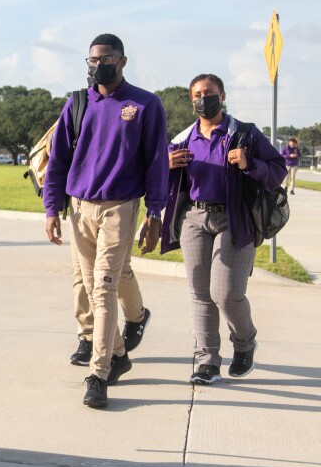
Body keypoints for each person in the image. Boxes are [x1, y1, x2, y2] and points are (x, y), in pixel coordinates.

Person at [43, 33, 168, 409]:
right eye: (92, 59)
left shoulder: (145, 105)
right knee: (91, 285)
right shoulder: (78, 103)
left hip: (121, 208)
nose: (98, 65)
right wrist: (52, 209)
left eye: (106, 58)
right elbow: (58, 160)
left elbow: (156, 162)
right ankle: (119, 354)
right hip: (80, 208)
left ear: (122, 61)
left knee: (104, 287)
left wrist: (155, 212)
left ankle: (98, 374)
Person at [162, 74, 286, 385]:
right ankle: (207, 361)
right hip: (193, 219)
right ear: (192, 101)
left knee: (226, 294)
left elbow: (277, 170)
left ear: (223, 95)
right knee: (201, 294)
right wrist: (167, 165)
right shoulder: (181, 139)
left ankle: (245, 342)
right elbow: (159, 184)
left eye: (210, 93)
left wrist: (248, 164)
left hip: (234, 220)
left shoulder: (244, 134)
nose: (204, 98)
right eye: (198, 94)